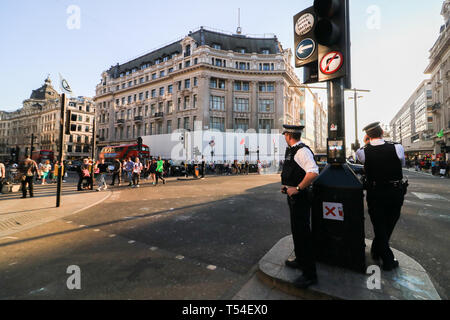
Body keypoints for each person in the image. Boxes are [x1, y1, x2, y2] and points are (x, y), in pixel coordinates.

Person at [356, 122, 407, 271]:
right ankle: (388, 260)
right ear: (382, 132)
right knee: (390, 223)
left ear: (367, 136)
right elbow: (401, 163)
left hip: (375, 192)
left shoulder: (362, 151)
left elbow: (365, 165)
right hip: (395, 191)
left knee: (379, 225)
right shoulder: (396, 147)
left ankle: (377, 250)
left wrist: (367, 144)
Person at [281, 125, 319, 289]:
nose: (284, 137)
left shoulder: (302, 151)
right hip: (294, 196)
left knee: (303, 234)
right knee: (297, 231)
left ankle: (310, 275)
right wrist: (288, 187)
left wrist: (296, 189)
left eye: (285, 134)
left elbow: (313, 172)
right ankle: (300, 260)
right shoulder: (292, 149)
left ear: (289, 135)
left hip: (301, 197)